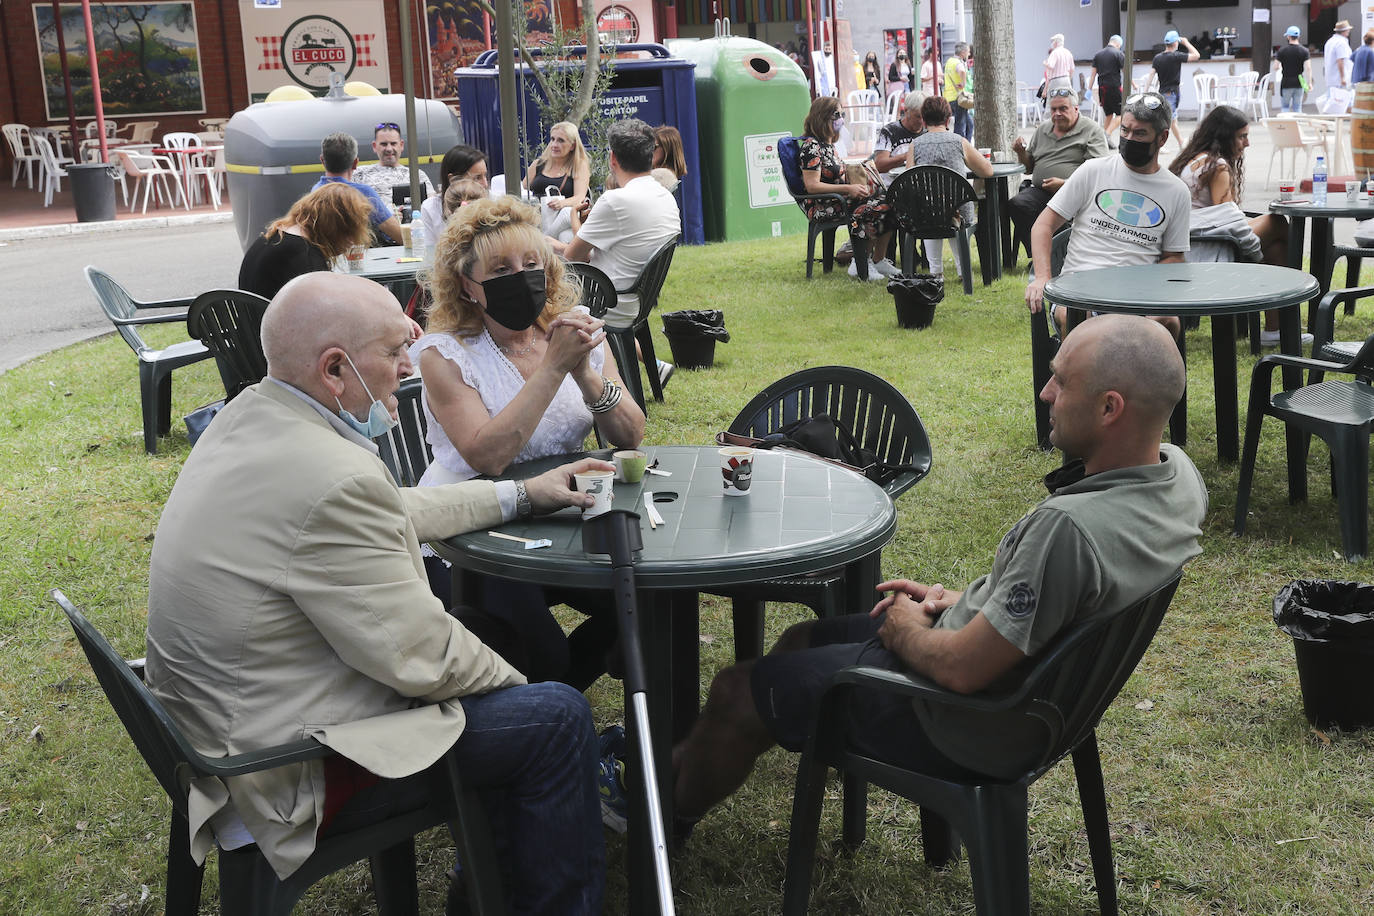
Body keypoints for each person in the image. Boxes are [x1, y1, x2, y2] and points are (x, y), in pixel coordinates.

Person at [144, 270, 609, 912]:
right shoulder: (331, 477)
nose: (408, 368)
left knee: (493, 639)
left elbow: (387, 511)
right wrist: (523, 688)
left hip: (228, 726)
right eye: (394, 353)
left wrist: (521, 493)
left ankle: (486, 886)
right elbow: (422, 655)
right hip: (281, 769)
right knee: (554, 718)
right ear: (336, 370)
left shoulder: (254, 416)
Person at [669, 314, 1207, 836]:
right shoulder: (1176, 477)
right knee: (798, 640)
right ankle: (719, 749)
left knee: (736, 688)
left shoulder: (1066, 530)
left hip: (970, 721)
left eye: (1062, 383)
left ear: (1111, 408)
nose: (1045, 392)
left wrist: (907, 631)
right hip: (1046, 705)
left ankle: (659, 818)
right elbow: (1066, 597)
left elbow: (965, 671)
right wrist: (963, 603)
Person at [412, 197, 645, 687]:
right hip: (473, 529)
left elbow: (630, 435)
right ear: (467, 286)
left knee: (646, 607)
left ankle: (577, 701)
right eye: (501, 268)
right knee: (543, 655)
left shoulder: (572, 329)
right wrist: (555, 367)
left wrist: (586, 375)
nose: (521, 276)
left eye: (532, 263)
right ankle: (555, 699)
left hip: (566, 510)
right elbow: (488, 455)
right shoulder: (445, 354)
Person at [1024, 91, 1191, 338]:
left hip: (1138, 297)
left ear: (1163, 137)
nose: (1128, 138)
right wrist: (1042, 278)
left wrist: (1145, 284)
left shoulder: (1176, 192)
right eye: (1124, 130)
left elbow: (1173, 257)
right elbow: (1043, 226)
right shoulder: (1093, 171)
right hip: (1080, 291)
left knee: (1167, 322)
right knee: (1080, 321)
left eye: (1140, 133)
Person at [554, 119, 681, 384]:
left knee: (541, 292)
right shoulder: (665, 196)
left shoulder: (615, 200)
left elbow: (572, 257)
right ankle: (651, 365)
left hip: (607, 301)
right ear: (650, 156)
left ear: (612, 158)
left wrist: (576, 223)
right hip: (638, 299)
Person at [1169, 105, 1305, 346]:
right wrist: (1255, 252)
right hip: (1209, 249)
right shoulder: (1217, 166)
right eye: (1242, 136)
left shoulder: (1194, 159)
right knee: (1278, 223)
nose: (1248, 143)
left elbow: (1225, 217)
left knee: (1276, 247)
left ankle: (1275, 330)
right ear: (1224, 136)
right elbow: (1229, 220)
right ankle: (1294, 300)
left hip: (1196, 243)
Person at [781, 96, 899, 282]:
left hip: (839, 199)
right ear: (822, 117)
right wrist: (849, 189)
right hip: (823, 204)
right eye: (837, 114)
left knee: (890, 203)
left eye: (842, 113)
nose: (841, 118)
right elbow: (812, 186)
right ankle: (859, 263)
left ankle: (877, 259)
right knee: (871, 209)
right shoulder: (811, 147)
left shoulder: (829, 146)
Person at [905, 95, 993, 282]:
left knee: (930, 208)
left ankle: (936, 271)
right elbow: (987, 170)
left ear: (924, 118)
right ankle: (963, 270)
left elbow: (909, 179)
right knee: (954, 207)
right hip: (957, 212)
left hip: (926, 215)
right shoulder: (959, 141)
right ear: (948, 118)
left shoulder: (915, 145)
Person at [238, 183, 372, 300]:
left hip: (250, 324)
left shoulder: (276, 236)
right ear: (336, 227)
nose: (352, 241)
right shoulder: (305, 255)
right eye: (350, 232)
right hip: (272, 327)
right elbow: (322, 309)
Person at [1009, 87, 1109, 243]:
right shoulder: (1043, 129)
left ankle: (1058, 252)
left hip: (1076, 194)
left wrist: (1065, 184)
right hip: (1042, 192)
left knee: (1058, 212)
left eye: (1063, 108)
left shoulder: (1091, 130)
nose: (1057, 114)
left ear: (1076, 109)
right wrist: (1021, 153)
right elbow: (1029, 169)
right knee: (1018, 204)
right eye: (1053, 109)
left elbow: (1099, 172)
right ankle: (1040, 253)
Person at [311, 132, 403, 245]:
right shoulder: (364, 194)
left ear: (322, 160)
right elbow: (401, 237)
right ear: (355, 163)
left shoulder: (315, 192)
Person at [351, 121, 435, 219]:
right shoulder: (359, 174)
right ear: (374, 146)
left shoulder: (417, 175)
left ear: (401, 145)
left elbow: (431, 208)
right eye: (384, 144)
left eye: (393, 143)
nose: (389, 149)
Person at [525, 121, 591, 244]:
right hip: (536, 217)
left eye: (561, 141)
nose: (554, 144)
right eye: (552, 139)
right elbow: (522, 191)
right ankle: (544, 241)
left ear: (572, 145)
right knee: (565, 236)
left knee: (566, 220)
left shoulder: (579, 165)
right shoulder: (538, 164)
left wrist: (561, 203)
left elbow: (580, 197)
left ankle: (541, 241)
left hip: (562, 215)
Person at [420, 144, 490, 244]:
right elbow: (430, 250)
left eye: (485, 176)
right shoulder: (430, 207)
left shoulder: (493, 204)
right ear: (453, 180)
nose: (485, 184)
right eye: (477, 178)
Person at [1146, 31, 1199, 149]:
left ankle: (1180, 142)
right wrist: (1186, 43)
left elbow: (1151, 74)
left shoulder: (1157, 58)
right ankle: (1156, 144)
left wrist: (1146, 89)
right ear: (1175, 43)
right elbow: (1196, 55)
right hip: (1172, 93)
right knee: (1167, 120)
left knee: (1172, 119)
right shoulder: (1176, 56)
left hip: (1164, 92)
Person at [871, 90, 926, 187]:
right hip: (892, 186)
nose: (921, 121)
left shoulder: (928, 131)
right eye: (917, 116)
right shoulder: (890, 131)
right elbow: (879, 165)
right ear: (906, 111)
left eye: (925, 117)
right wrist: (906, 155)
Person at [1088, 35, 1127, 142]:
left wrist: (1089, 89)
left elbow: (1093, 75)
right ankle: (1107, 134)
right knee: (1122, 114)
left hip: (1102, 89)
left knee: (1109, 114)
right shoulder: (1118, 54)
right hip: (1114, 87)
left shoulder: (1098, 55)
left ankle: (1103, 141)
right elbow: (1126, 72)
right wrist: (1133, 84)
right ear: (1118, 44)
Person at [1273, 26, 1313, 114]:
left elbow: (1275, 67)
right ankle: (1297, 126)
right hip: (1299, 81)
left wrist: (1281, 66)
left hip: (1286, 81)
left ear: (1288, 37)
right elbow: (1308, 68)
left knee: (1285, 107)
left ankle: (1286, 126)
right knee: (1298, 107)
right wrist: (1309, 83)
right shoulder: (1305, 51)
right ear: (1298, 37)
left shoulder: (1282, 50)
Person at [943, 42, 973, 140]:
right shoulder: (957, 63)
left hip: (950, 97)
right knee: (960, 125)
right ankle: (961, 147)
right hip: (958, 98)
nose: (969, 54)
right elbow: (962, 71)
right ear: (963, 52)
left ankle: (967, 145)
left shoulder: (949, 61)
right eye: (968, 52)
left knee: (969, 124)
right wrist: (963, 83)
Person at [1324, 20, 1355, 111]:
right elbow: (1340, 60)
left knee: (1333, 103)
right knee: (1346, 102)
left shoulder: (1330, 41)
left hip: (1331, 78)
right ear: (1345, 31)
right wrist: (1343, 77)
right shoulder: (1341, 43)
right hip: (1340, 79)